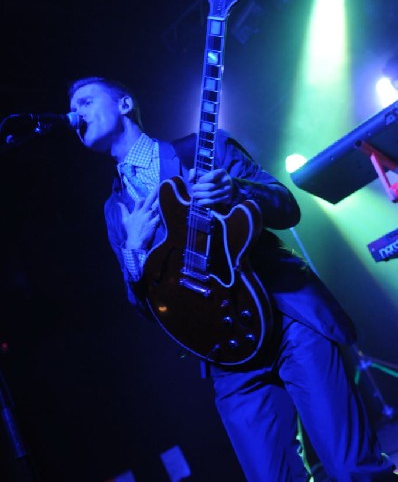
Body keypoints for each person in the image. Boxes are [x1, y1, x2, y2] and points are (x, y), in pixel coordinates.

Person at [68, 75, 397, 482]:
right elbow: (146, 308)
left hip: (287, 318)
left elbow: (285, 206)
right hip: (226, 356)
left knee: (353, 469)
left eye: (85, 100)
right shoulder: (114, 210)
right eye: (74, 106)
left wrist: (235, 190)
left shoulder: (200, 149)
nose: (75, 112)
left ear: (124, 105)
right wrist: (134, 251)